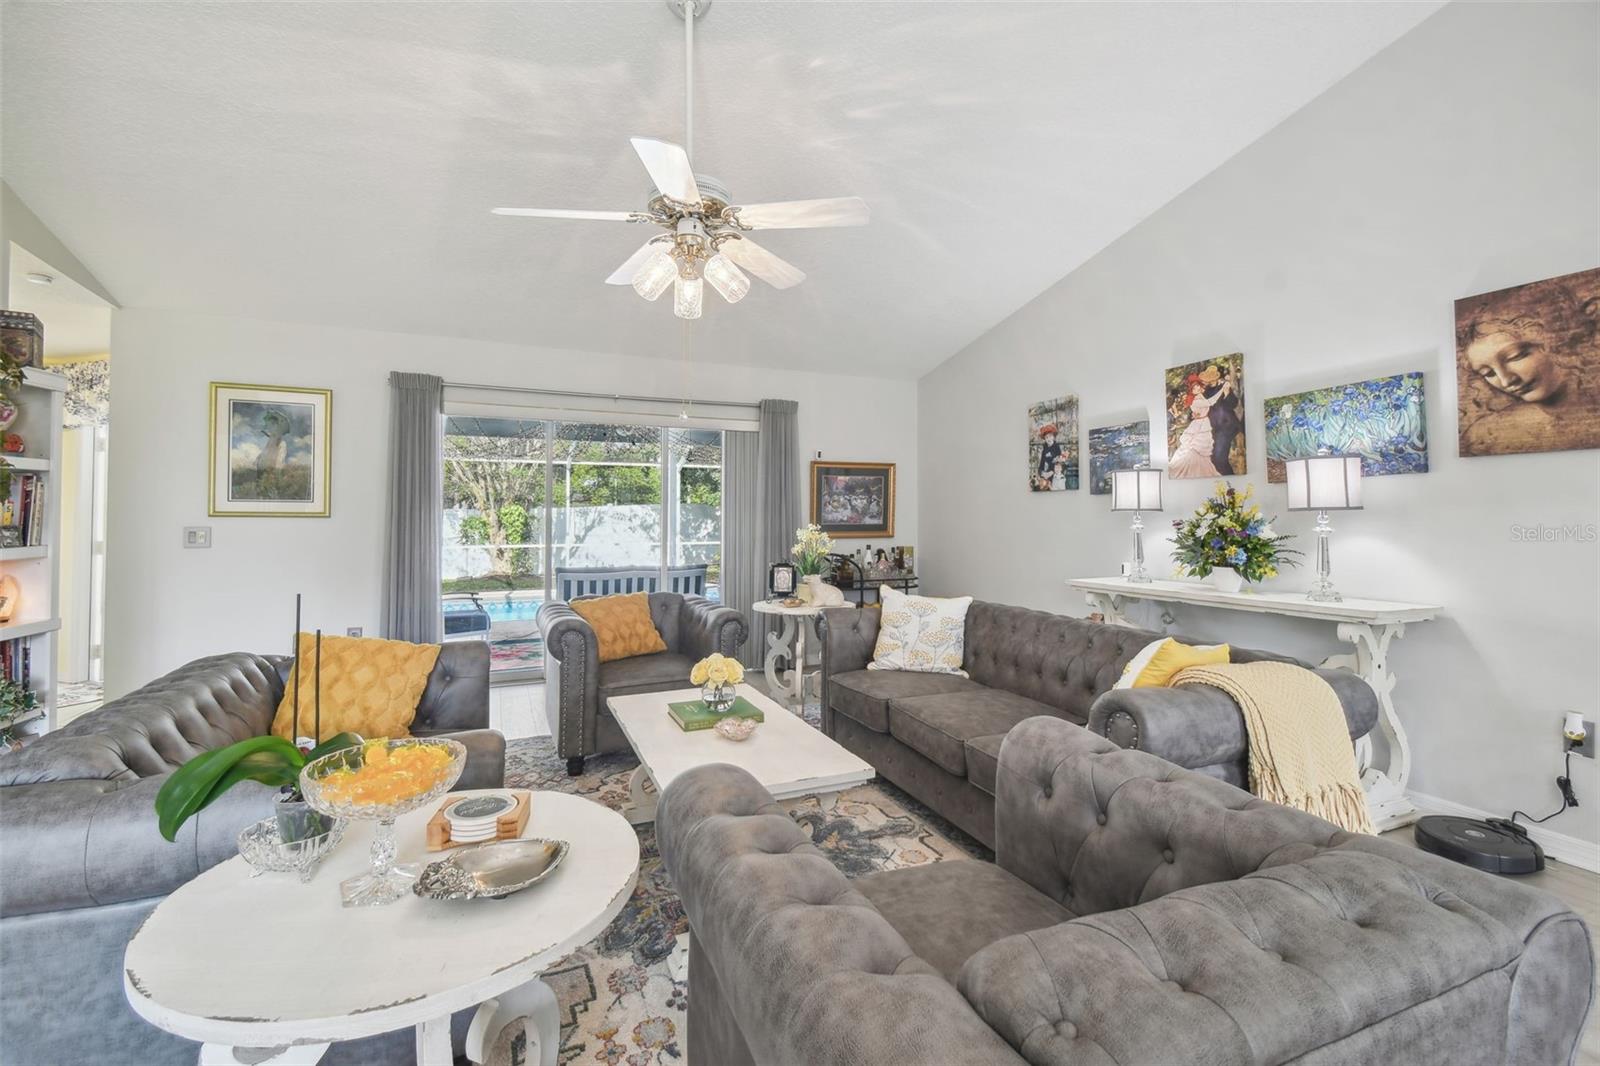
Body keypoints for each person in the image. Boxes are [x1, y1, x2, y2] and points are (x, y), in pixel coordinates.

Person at [1457, 269, 1600, 456]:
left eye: (1515, 357)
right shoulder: (1488, 434)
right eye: (1488, 373)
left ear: (1558, 340)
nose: (1507, 381)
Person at [1168, 376, 1219, 478]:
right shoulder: (1195, 400)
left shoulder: (1200, 396)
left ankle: (1202, 472)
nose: (1197, 389)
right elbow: (1211, 402)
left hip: (1203, 423)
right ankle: (1193, 473)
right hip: (1199, 425)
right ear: (1191, 391)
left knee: (1201, 451)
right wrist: (1222, 390)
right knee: (1193, 448)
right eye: (1194, 388)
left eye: (1197, 386)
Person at [1202, 363, 1243, 475]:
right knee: (1213, 459)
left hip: (1227, 425)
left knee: (1219, 458)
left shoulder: (1224, 387)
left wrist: (1226, 393)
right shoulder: (1205, 393)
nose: (1209, 380)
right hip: (1213, 428)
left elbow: (1233, 404)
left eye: (1211, 377)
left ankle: (1230, 479)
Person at [1033, 423, 1062, 491]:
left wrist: (1051, 472)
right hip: (1045, 476)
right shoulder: (1044, 450)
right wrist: (1042, 473)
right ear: (1045, 439)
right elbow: (1041, 465)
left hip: (1054, 475)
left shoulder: (1057, 447)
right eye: (1046, 437)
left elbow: (1059, 463)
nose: (1048, 439)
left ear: (1053, 437)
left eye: (1050, 436)